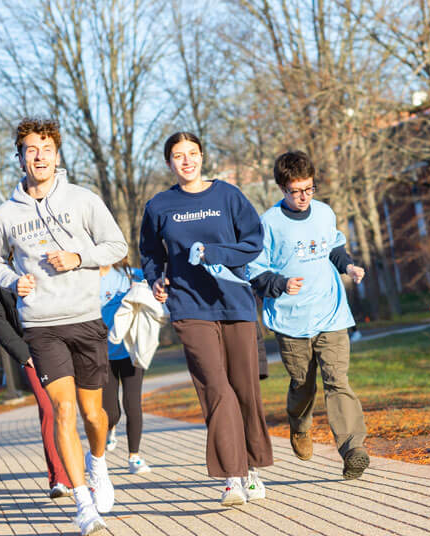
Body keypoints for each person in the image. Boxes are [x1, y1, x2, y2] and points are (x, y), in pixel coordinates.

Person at [0, 118, 129, 536]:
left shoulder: (83, 200)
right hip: (42, 324)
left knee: (94, 414)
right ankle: (83, 505)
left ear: (57, 155)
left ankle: (98, 465)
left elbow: (116, 246)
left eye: (46, 148)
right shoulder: (6, 214)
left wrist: (79, 258)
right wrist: (13, 280)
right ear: (21, 157)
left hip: (84, 317)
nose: (39, 155)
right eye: (31, 149)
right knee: (63, 410)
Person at [140, 131, 273, 506]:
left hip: (235, 304)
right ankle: (233, 476)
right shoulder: (159, 206)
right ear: (169, 162)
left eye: (193, 154)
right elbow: (150, 253)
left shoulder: (228, 196)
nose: (187, 161)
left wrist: (215, 252)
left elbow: (253, 242)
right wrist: (156, 279)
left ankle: (252, 468)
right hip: (189, 305)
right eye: (179, 155)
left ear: (202, 157)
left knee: (244, 388)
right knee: (215, 388)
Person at [249, 151, 371, 480]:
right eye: (295, 191)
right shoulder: (268, 223)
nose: (303, 197)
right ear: (281, 188)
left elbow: (334, 248)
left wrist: (349, 266)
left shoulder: (324, 213)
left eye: (309, 189)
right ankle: (300, 425)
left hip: (330, 312)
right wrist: (280, 283)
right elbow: (255, 271)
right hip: (290, 321)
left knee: (337, 380)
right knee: (303, 384)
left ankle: (352, 448)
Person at [0, 279, 71, 498]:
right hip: (32, 352)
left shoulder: (42, 257)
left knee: (74, 409)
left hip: (62, 342)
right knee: (50, 409)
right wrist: (24, 354)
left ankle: (83, 471)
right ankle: (60, 478)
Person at [99, 260, 152, 474]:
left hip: (132, 351)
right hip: (103, 355)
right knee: (110, 412)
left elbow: (155, 283)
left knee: (132, 404)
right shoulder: (85, 279)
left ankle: (134, 457)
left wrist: (145, 287)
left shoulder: (130, 274)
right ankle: (110, 427)